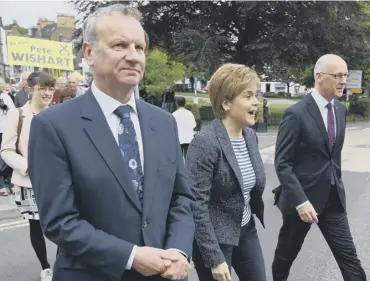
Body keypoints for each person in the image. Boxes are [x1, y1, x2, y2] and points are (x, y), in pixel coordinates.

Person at [28, 5, 194, 281]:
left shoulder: (164, 122)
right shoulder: (53, 126)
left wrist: (179, 250)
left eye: (139, 48)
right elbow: (59, 221)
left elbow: (182, 199)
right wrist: (131, 256)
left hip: (165, 274)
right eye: (120, 45)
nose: (133, 56)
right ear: (89, 53)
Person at [272, 54, 367, 281]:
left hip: (332, 200)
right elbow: (282, 163)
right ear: (319, 77)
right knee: (285, 257)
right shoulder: (296, 114)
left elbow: (332, 158)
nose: (343, 80)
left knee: (351, 261)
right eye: (338, 75)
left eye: (345, 75)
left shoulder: (340, 111)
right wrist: (301, 201)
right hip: (301, 202)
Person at [186, 63, 267, 281]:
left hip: (245, 228)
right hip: (214, 238)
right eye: (248, 95)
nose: (256, 102)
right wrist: (214, 257)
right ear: (226, 103)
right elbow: (196, 204)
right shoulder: (205, 143)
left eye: (256, 95)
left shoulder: (250, 136)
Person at [1, 71, 54, 281]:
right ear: (30, 90)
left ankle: (68, 261)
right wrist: (28, 167)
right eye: (43, 89)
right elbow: (6, 150)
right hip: (28, 181)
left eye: (51, 88)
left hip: (56, 181)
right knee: (36, 225)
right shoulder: (17, 114)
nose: (48, 93)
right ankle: (45, 267)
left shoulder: (57, 113)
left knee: (66, 221)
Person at [0, 77, 15, 196]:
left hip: (5, 131)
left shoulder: (5, 97)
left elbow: (13, 111)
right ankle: (2, 185)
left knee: (7, 156)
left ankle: (9, 181)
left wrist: (6, 107)